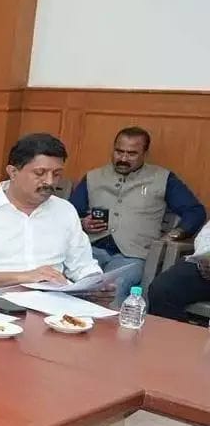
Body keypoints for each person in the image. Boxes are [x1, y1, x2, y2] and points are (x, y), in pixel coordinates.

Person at [0, 133, 104, 294]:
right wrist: (24, 277)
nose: (49, 181)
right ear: (13, 172)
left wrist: (97, 284)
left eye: (56, 174)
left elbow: (82, 265)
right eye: (39, 173)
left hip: (52, 302)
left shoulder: (65, 210)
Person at [70, 126, 206, 305]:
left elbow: (195, 211)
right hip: (90, 250)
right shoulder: (93, 177)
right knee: (68, 283)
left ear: (145, 154)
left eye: (132, 153)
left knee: (111, 289)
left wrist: (174, 234)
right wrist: (83, 223)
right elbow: (69, 212)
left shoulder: (163, 179)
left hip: (133, 256)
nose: (123, 159)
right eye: (119, 152)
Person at [148, 222, 210, 322]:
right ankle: (176, 332)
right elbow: (206, 236)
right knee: (163, 289)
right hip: (203, 270)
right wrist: (204, 259)